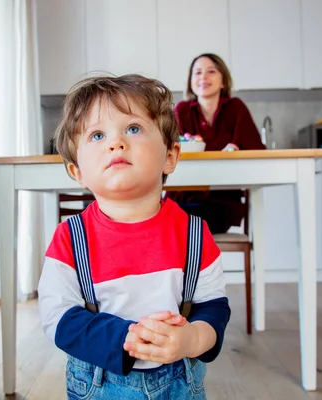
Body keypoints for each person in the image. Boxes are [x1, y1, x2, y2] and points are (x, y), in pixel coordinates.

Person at [38, 74, 230, 399]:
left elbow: (213, 308)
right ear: (77, 171)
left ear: (170, 155)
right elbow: (58, 318)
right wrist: (125, 337)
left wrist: (191, 340)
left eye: (133, 129)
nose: (116, 143)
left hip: (180, 383)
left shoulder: (195, 235)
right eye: (98, 135)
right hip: (99, 384)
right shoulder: (70, 239)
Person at [166, 53, 266, 234]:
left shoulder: (236, 108)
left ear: (223, 81)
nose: (203, 77)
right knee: (175, 221)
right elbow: (169, 152)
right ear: (190, 82)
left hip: (222, 203)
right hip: (184, 200)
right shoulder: (182, 110)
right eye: (197, 73)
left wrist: (237, 150)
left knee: (188, 226)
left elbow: (257, 150)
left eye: (211, 71)